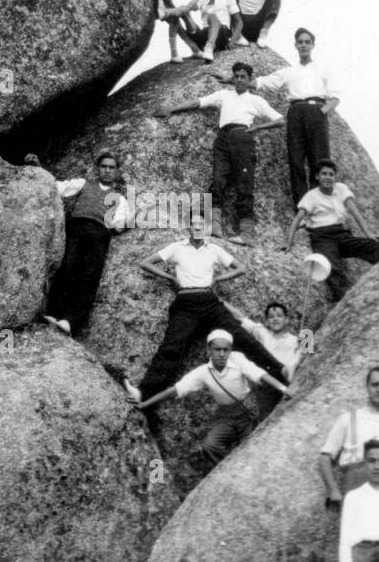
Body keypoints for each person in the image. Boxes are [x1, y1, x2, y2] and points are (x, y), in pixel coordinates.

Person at [127, 213, 288, 435]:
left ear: (206, 228)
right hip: (185, 302)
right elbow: (145, 263)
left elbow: (240, 268)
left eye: (201, 225)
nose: (197, 228)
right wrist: (170, 278)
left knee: (241, 337)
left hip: (210, 302)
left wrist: (218, 279)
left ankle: (280, 370)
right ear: (188, 228)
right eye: (193, 225)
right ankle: (143, 394)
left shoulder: (213, 249)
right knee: (171, 349)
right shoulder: (177, 247)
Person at [132, 329, 292, 471]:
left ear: (230, 350)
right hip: (226, 415)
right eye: (217, 349)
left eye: (225, 350)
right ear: (209, 350)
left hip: (248, 407)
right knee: (210, 445)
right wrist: (145, 403)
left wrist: (283, 389)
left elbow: (259, 374)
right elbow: (174, 390)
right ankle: (228, 472)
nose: (221, 354)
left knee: (250, 444)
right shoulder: (202, 372)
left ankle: (248, 470)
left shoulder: (237, 359)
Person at [162, 62, 283, 243]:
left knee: (244, 183)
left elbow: (280, 120)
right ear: (232, 78)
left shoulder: (256, 100)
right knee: (218, 179)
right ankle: (214, 225)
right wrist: (171, 109)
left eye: (244, 77)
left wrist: (257, 128)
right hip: (223, 138)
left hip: (243, 137)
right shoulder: (224, 95)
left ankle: (247, 234)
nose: (240, 80)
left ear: (250, 79)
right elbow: (199, 102)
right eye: (237, 76)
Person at [30, 152, 130, 337]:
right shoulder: (84, 184)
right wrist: (39, 168)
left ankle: (70, 320)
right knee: (66, 268)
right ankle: (53, 313)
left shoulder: (120, 199)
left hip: (99, 234)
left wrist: (135, 218)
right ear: (98, 169)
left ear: (117, 172)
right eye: (104, 166)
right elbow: (57, 187)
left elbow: (119, 225)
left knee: (89, 275)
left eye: (111, 167)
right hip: (76, 228)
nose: (107, 170)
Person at [248, 28, 339, 203]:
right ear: (295, 45)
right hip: (296, 112)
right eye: (300, 42)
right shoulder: (289, 71)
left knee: (319, 160)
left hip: (316, 110)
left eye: (307, 42)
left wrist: (321, 113)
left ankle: (320, 205)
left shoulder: (322, 69)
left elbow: (335, 97)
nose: (304, 45)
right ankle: (303, 206)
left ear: (313, 45)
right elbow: (263, 82)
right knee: (296, 160)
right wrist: (235, 80)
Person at [283, 160, 379, 301]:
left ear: (335, 176)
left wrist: (368, 233)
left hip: (342, 235)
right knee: (332, 267)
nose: (327, 177)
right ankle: (348, 300)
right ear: (317, 177)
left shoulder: (341, 189)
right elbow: (297, 220)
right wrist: (289, 242)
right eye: (324, 174)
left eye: (331, 174)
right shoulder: (311, 196)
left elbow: (354, 211)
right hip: (322, 238)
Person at [319, 366, 379, 502]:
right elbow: (325, 457)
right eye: (375, 384)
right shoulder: (348, 418)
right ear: (367, 386)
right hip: (354, 482)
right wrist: (334, 490)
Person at [166, 0, 243, 63]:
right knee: (183, 11)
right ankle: (178, 53)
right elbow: (188, 8)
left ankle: (209, 47)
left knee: (212, 16)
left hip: (222, 33)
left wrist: (233, 40)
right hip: (205, 35)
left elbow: (239, 21)